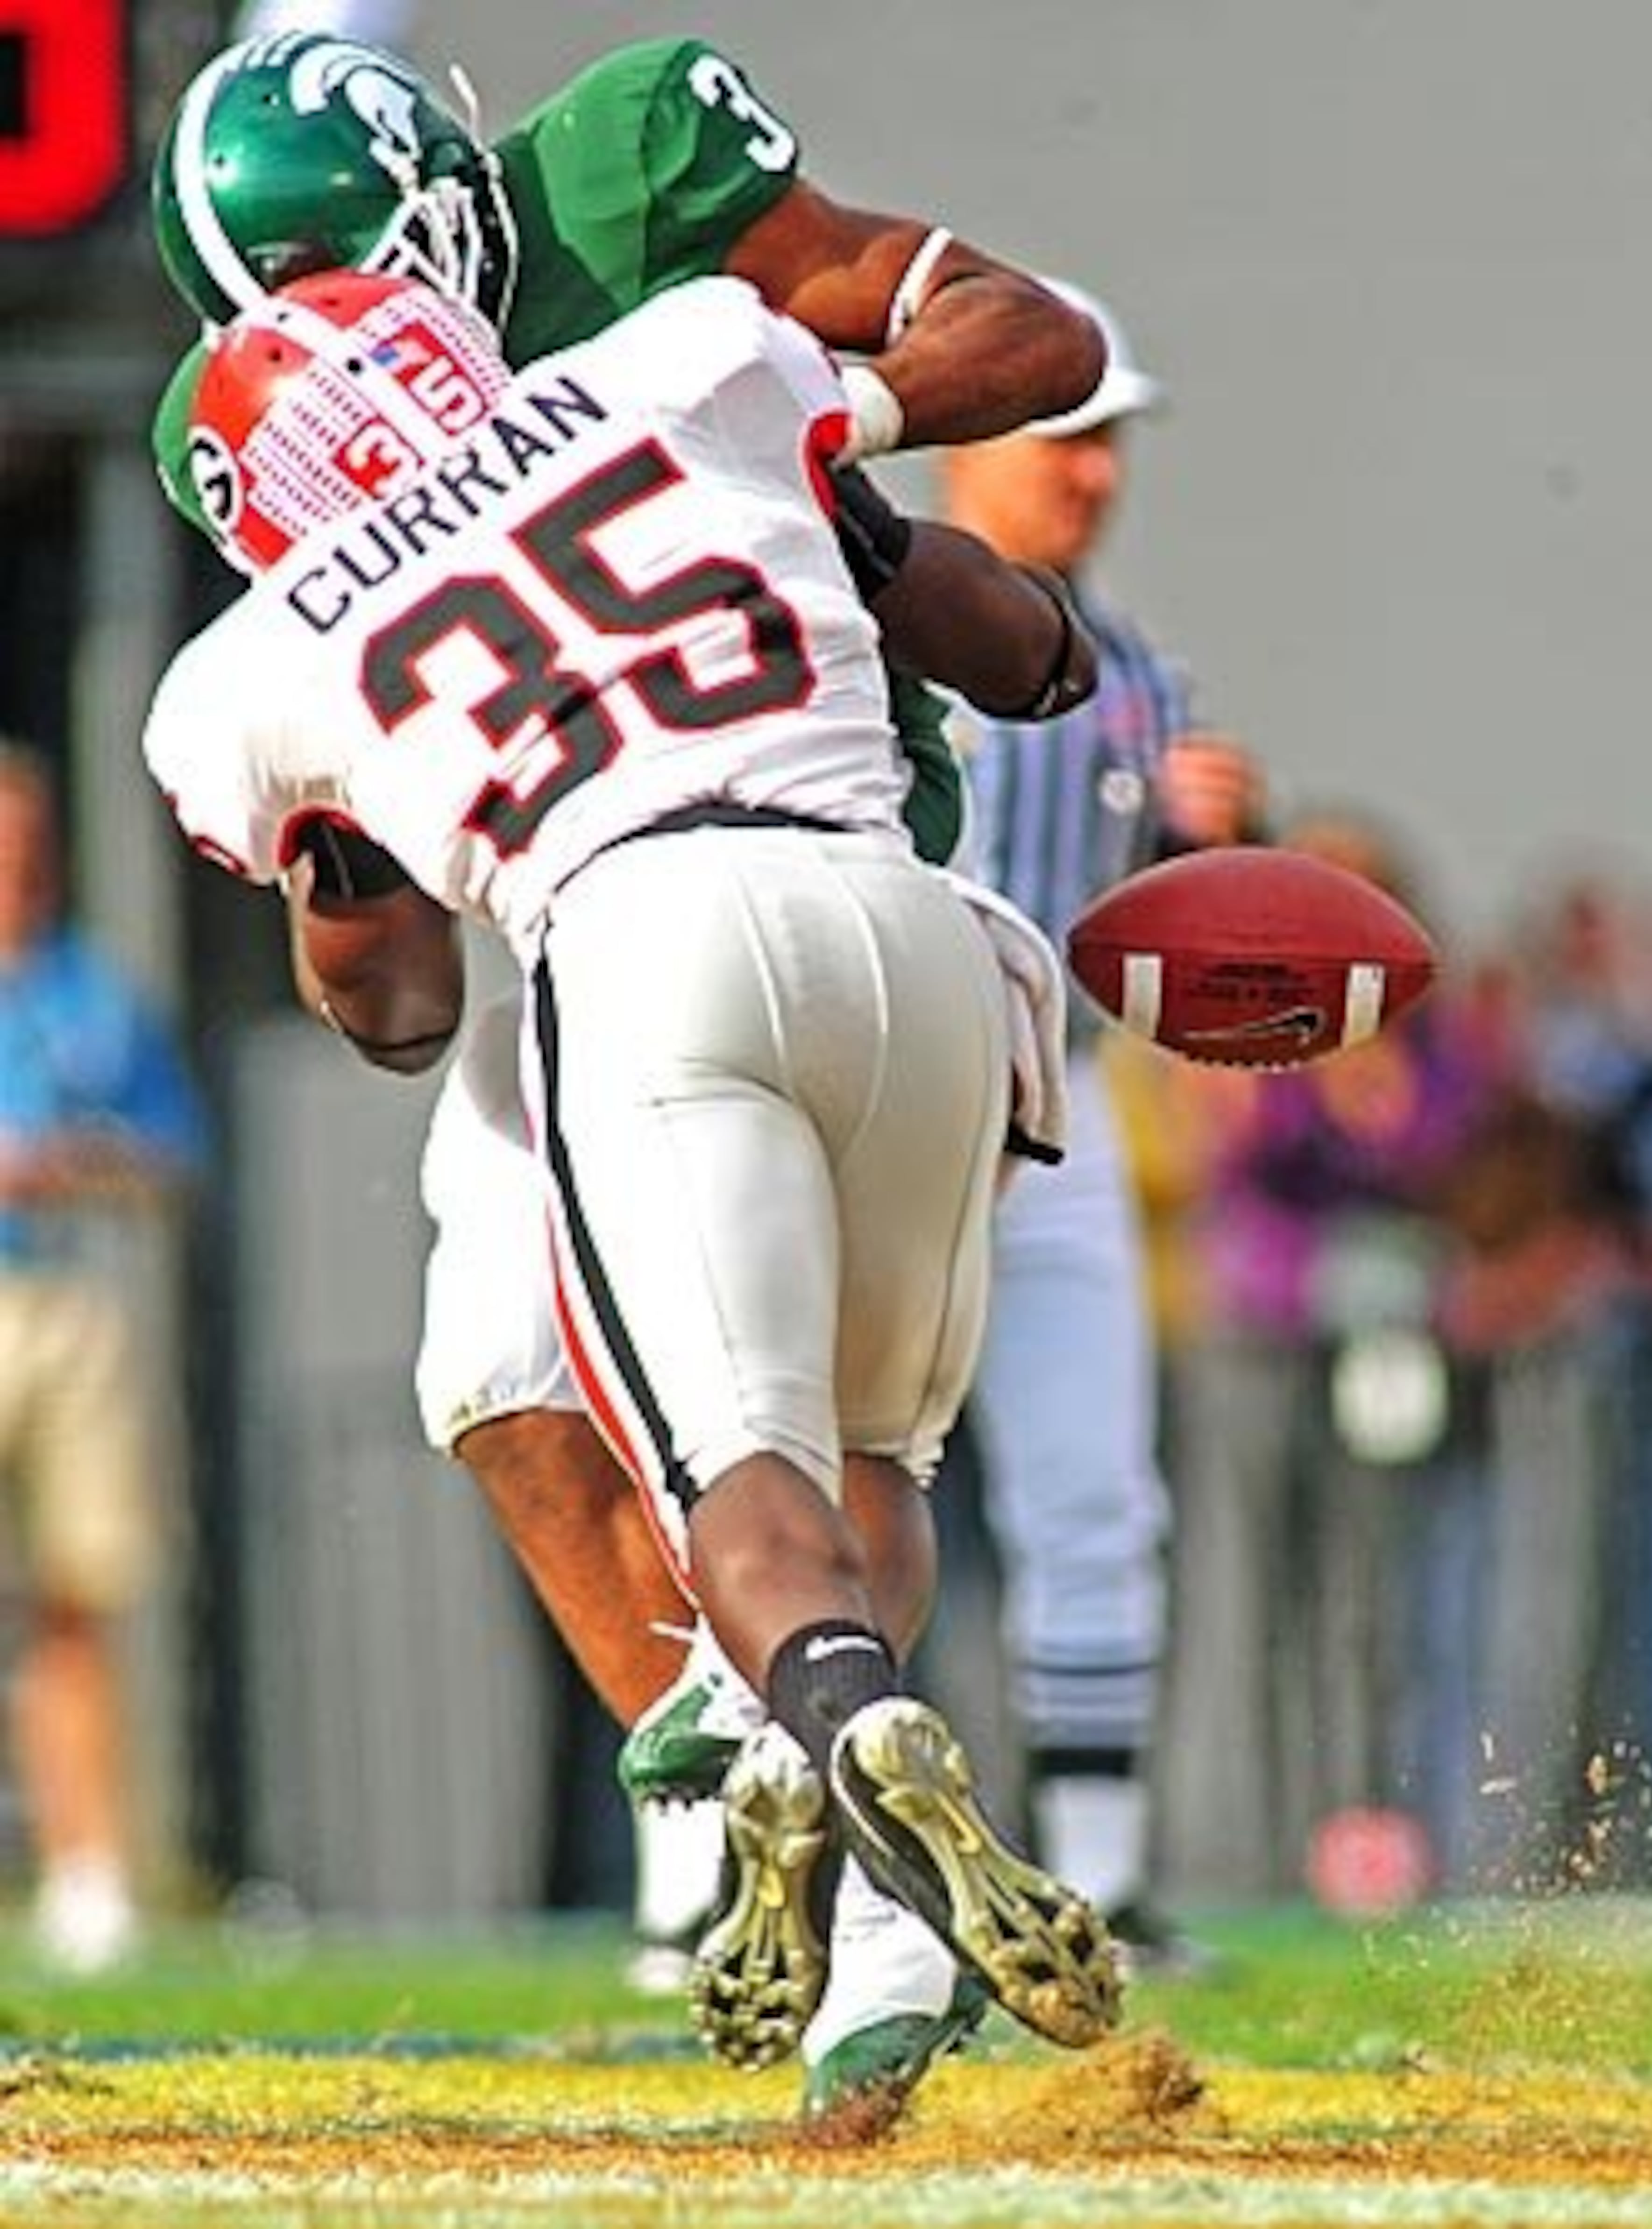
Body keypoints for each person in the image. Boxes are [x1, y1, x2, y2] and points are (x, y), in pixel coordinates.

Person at [147, 25, 1105, 2111]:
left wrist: (832, 436)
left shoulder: (650, 279)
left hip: (645, 920)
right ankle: (801, 1830)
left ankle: (798, 1746)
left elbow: (383, 1010)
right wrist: (794, 454)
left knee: (719, 1449)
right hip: (829, 907)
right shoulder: (690, 366)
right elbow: (1047, 657)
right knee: (586, 1390)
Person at [936, 283, 1222, 1956]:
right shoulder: (864, 604)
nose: (1095, 474)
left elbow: (1166, 942)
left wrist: (1214, 858)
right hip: (892, 1088)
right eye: (1065, 436)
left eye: (1109, 440)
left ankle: (1100, 1875)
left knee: (1095, 1491)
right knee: (812, 1477)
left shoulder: (1143, 681)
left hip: (1067, 1092)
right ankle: (729, 1876)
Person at [0, 743, 206, 1969]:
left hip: (70, 1301)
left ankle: (91, 1878)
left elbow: (173, 1158)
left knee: (78, 1594)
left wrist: (76, 1162)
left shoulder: (93, 993)